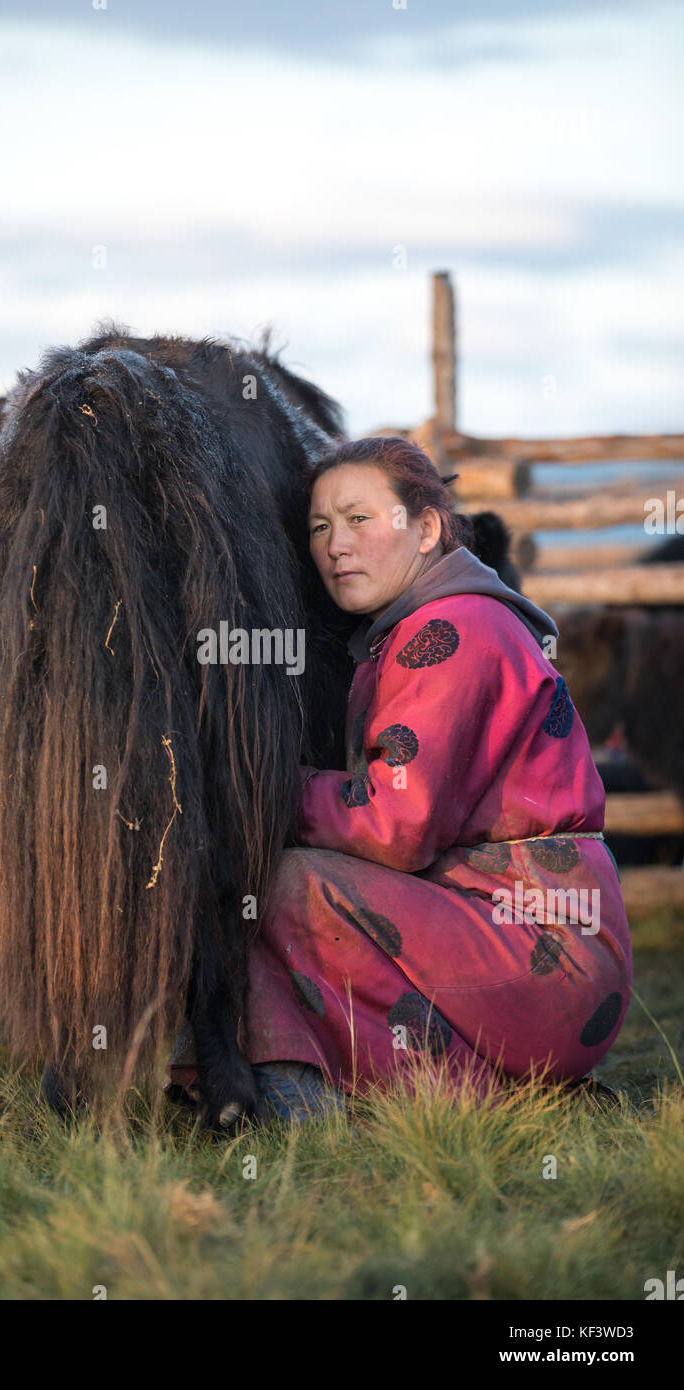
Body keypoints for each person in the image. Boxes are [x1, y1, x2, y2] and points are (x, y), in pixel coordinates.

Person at [169, 436, 632, 1123]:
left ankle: (297, 1096)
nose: (334, 545)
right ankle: (502, 1094)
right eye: (320, 527)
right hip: (530, 936)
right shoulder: (427, 626)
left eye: (359, 519)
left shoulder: (451, 629)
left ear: (426, 528)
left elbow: (397, 826)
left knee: (281, 882)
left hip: (543, 948)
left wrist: (266, 785)